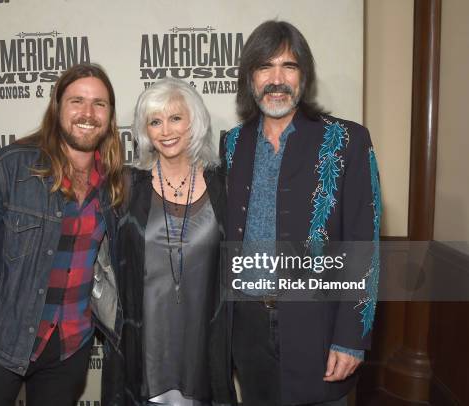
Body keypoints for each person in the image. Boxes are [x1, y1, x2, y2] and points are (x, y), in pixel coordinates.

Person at [0, 63, 124, 406]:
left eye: (99, 104)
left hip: (71, 346)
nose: (88, 113)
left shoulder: (114, 181)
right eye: (76, 101)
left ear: (110, 116)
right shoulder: (10, 167)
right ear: (56, 108)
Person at [222, 21, 382, 405]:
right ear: (250, 78)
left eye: (288, 67)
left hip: (319, 326)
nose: (277, 79)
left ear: (304, 76)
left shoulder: (347, 140)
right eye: (265, 67)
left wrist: (351, 338)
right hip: (248, 329)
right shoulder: (232, 144)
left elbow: (365, 244)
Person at [102, 77, 235, 405]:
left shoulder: (225, 186)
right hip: (143, 348)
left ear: (195, 121)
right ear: (145, 130)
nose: (166, 130)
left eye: (175, 118)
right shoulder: (126, 187)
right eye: (155, 122)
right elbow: (100, 262)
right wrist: (115, 325)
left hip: (204, 345)